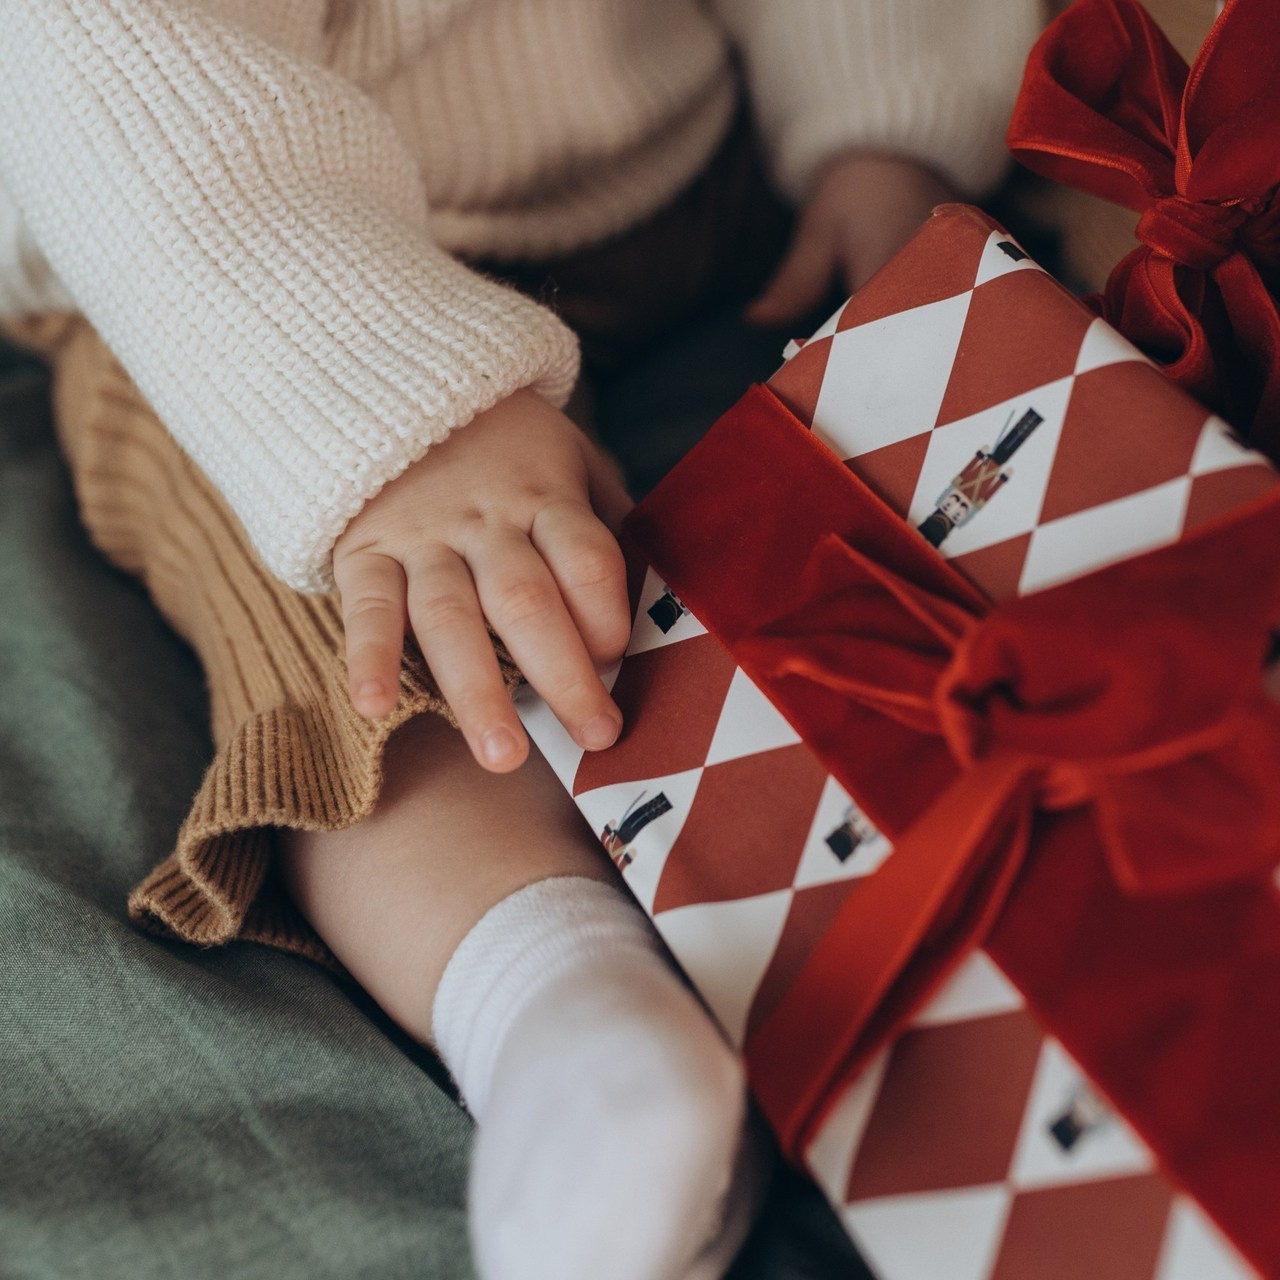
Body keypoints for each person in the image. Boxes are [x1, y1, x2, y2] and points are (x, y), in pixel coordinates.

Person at [0, 3, 1040, 1277]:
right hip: (222, 273)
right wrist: (405, 424)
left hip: (681, 166)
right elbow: (113, 72)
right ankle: (551, 1000)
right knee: (350, 615)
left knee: (913, 481)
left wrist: (879, 121)